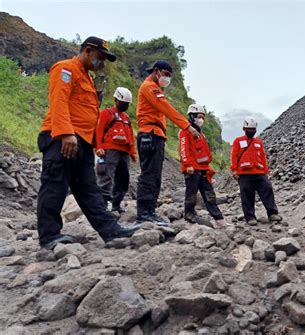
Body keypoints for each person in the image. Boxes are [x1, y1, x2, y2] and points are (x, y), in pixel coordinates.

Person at [36, 36, 139, 250]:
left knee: (89, 189)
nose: (101, 62)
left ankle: (111, 231)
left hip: (81, 142)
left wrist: (93, 144)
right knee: (54, 185)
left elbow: (88, 114)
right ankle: (49, 236)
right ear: (88, 50)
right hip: (61, 139)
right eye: (100, 57)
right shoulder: (65, 69)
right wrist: (65, 133)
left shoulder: (87, 79)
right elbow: (59, 102)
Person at [135, 60, 199, 225]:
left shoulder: (154, 88)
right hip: (150, 135)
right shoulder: (150, 87)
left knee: (154, 175)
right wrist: (187, 126)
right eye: (166, 75)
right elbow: (167, 108)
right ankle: (144, 213)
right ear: (156, 71)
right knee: (149, 175)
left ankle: (149, 211)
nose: (167, 79)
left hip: (155, 135)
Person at [179, 104, 226, 228]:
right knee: (191, 194)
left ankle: (219, 219)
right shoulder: (185, 132)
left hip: (204, 170)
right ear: (191, 116)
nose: (201, 120)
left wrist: (209, 169)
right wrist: (188, 165)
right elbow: (183, 150)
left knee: (210, 195)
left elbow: (205, 153)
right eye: (199, 117)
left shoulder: (201, 134)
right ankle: (189, 216)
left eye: (202, 117)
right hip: (192, 170)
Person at [231, 117, 282, 225]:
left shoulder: (258, 142)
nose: (252, 131)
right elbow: (234, 156)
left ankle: (272, 214)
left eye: (253, 129)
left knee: (267, 189)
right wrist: (234, 170)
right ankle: (250, 217)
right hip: (244, 174)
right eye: (249, 129)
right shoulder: (238, 141)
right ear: (244, 129)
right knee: (247, 196)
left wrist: (265, 171)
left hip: (259, 173)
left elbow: (263, 157)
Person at [95, 87, 137, 214]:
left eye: (127, 104)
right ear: (116, 100)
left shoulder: (126, 118)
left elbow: (130, 136)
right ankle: (101, 205)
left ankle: (116, 204)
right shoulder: (107, 113)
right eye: (123, 103)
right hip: (110, 150)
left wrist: (133, 152)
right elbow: (99, 130)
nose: (125, 105)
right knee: (106, 177)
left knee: (123, 179)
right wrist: (99, 147)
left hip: (124, 152)